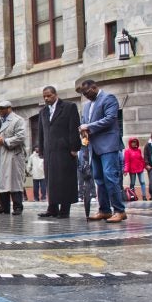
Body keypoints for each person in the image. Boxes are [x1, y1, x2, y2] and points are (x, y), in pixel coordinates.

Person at [79, 80, 126, 223]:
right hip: (94, 147)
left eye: (87, 92)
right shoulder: (86, 106)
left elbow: (110, 119)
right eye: (84, 94)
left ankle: (119, 210)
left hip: (109, 145)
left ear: (94, 87)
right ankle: (104, 210)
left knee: (110, 176)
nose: (86, 96)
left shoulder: (108, 98)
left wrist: (88, 126)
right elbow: (84, 123)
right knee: (99, 178)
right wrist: (83, 130)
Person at [37, 86, 81, 218]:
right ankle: (52, 208)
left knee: (64, 180)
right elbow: (41, 132)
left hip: (65, 150)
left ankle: (64, 210)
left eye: (49, 96)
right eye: (44, 96)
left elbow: (74, 128)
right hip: (49, 151)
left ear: (55, 94)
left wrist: (74, 148)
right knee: (50, 180)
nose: (46, 98)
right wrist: (42, 150)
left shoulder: (69, 107)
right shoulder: (43, 111)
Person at [0, 100, 26, 215]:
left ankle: (18, 207)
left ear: (9, 108)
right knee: (0, 180)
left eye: (2, 109)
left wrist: (4, 141)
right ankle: (3, 207)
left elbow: (21, 136)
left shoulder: (18, 120)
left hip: (13, 156)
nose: (0, 111)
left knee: (14, 181)